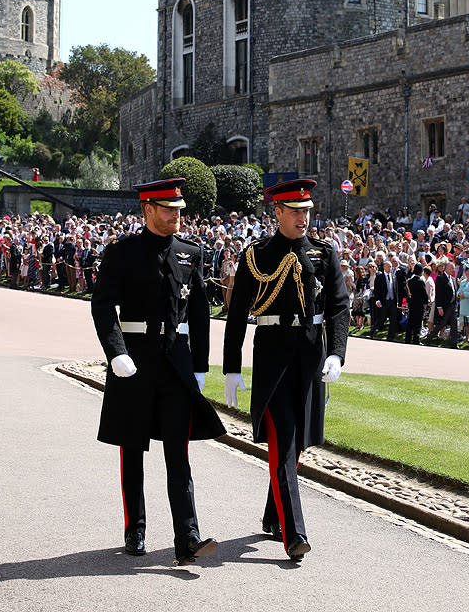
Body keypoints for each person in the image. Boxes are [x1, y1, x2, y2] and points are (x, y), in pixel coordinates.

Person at [91, 178, 225, 566]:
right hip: (134, 360)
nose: (176, 215)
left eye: (179, 209)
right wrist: (116, 352)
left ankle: (188, 536)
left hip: (175, 363)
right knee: (132, 447)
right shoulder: (123, 252)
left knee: (177, 453)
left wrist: (200, 366)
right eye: (168, 209)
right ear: (148, 209)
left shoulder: (190, 252)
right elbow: (102, 306)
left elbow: (199, 313)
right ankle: (135, 528)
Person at [223, 179, 349, 560]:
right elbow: (237, 314)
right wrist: (231, 366)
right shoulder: (256, 255)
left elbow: (339, 307)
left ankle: (272, 511)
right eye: (295, 212)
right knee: (284, 440)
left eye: (307, 211)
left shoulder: (324, 253)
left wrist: (337, 354)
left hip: (311, 354)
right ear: (277, 212)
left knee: (296, 444)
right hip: (273, 355)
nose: (303, 218)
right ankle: (294, 534)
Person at [423, 260, 459, 348]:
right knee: (441, 324)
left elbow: (455, 292)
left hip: (452, 306)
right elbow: (439, 293)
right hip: (445, 306)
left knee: (454, 324)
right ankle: (429, 338)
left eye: (453, 268)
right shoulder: (440, 278)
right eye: (451, 268)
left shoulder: (453, 279)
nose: (453, 270)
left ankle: (454, 343)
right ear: (446, 268)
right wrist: (439, 307)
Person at [371, 259, 399, 340]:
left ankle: (390, 337)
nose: (390, 268)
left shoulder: (394, 277)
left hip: (392, 301)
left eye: (391, 266)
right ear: (384, 267)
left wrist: (397, 301)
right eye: (389, 266)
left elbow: (396, 290)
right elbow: (376, 290)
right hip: (384, 301)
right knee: (381, 319)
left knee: (393, 319)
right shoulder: (380, 277)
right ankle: (373, 331)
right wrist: (378, 300)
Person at [404, 263, 428, 344]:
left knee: (410, 321)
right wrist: (426, 301)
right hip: (419, 304)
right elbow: (424, 294)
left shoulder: (409, 281)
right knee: (417, 322)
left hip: (411, 303)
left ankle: (407, 338)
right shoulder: (420, 281)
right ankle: (416, 339)